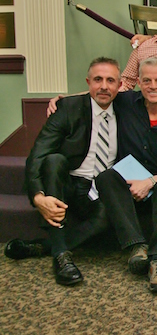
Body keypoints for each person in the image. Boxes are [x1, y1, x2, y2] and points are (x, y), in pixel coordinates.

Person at [5, 57, 120, 286]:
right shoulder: (68, 108)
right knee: (54, 160)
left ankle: (45, 246)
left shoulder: (128, 108)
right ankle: (61, 258)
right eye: (98, 79)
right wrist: (38, 196)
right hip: (69, 183)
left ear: (120, 85)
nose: (104, 86)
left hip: (102, 187)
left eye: (110, 80)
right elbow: (38, 154)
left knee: (111, 212)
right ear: (88, 82)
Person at [95, 57, 157, 294]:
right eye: (146, 80)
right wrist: (61, 100)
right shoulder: (125, 103)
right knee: (105, 176)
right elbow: (98, 93)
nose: (152, 86)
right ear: (138, 82)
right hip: (127, 185)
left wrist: (151, 181)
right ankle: (136, 247)